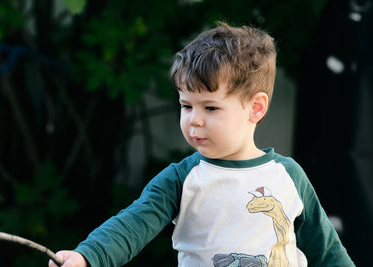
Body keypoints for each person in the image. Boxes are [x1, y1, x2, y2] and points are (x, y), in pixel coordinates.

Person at [49, 22, 355, 267]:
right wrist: (88, 255)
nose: (194, 120)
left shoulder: (288, 176)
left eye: (210, 108)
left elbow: (327, 252)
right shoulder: (181, 179)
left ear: (255, 108)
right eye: (186, 106)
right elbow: (133, 223)